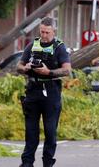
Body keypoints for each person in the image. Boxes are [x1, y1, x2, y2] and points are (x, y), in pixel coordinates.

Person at [16, 17, 71, 167]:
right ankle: (27, 163)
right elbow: (18, 66)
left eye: (47, 32)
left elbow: (67, 70)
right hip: (33, 91)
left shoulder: (59, 47)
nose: (44, 35)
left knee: (50, 131)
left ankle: (48, 163)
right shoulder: (32, 45)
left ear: (54, 31)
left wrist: (49, 72)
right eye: (42, 32)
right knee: (31, 131)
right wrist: (25, 68)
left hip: (51, 92)